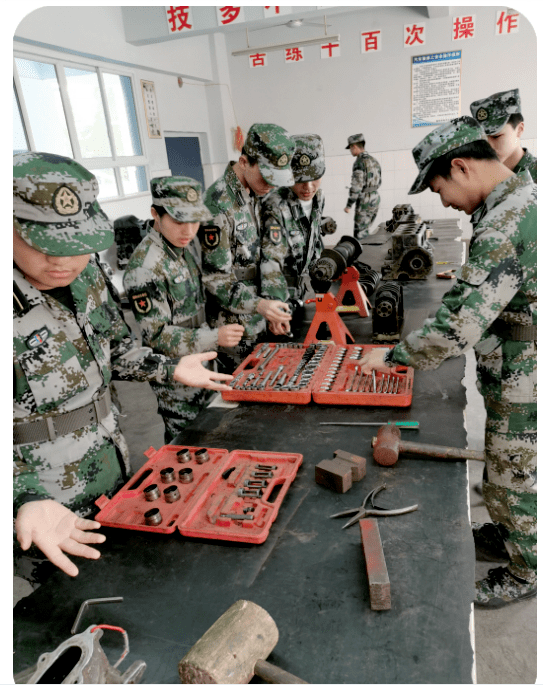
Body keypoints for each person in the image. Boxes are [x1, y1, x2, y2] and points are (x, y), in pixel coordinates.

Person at [13, 152, 233, 581]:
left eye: (77, 245)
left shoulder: (87, 276)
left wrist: (168, 368)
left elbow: (114, 348)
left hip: (113, 468)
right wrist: (22, 497)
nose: (63, 261)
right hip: (45, 506)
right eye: (44, 244)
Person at [358, 117, 536, 609]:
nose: (444, 203)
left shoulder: (506, 221)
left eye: (440, 189)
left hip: (525, 371)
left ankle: (526, 569)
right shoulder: (514, 202)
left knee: (512, 470)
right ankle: (506, 533)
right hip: (514, 362)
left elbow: (459, 326)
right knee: (503, 462)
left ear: (461, 167)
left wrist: (393, 355)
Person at [123, 177, 244, 442]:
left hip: (200, 359)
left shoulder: (181, 247)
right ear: (155, 214)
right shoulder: (145, 268)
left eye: (194, 220)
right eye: (179, 221)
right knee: (187, 442)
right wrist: (215, 337)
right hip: (176, 377)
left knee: (212, 432)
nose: (188, 230)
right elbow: (157, 336)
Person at [200, 123, 293, 370]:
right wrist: (261, 306)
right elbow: (216, 279)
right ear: (244, 162)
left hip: (256, 315)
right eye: (267, 177)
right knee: (240, 386)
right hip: (233, 327)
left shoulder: (254, 191)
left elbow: (266, 254)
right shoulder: (218, 205)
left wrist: (272, 306)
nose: (271, 185)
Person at [260, 133, 326, 336]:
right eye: (300, 180)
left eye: (314, 178)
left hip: (300, 293)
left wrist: (322, 282)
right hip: (278, 297)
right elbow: (271, 262)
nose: (308, 187)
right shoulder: (275, 206)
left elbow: (314, 239)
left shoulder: (318, 197)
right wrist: (276, 311)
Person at [470, 88, 537, 182]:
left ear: (519, 129)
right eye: (482, 139)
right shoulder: (480, 176)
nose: (488, 145)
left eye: (496, 136)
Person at [343, 133, 382, 240]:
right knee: (366, 230)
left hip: (365, 200)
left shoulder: (359, 162)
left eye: (350, 148)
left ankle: (363, 251)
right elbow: (379, 181)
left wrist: (348, 205)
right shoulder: (374, 160)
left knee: (360, 235)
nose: (351, 151)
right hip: (375, 197)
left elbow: (357, 187)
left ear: (354, 146)